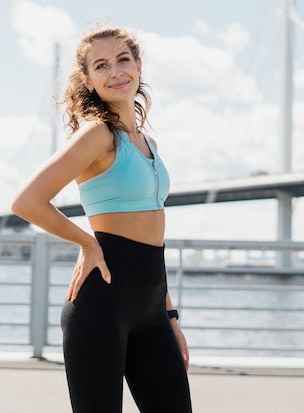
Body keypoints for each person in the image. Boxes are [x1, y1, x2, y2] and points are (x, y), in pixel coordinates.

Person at [11, 23, 193, 413]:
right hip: (100, 307)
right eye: (102, 66)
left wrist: (169, 315)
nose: (116, 72)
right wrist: (87, 242)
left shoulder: (149, 143)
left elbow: (152, 243)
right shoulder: (97, 135)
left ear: (139, 67)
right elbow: (27, 201)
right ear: (89, 80)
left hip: (151, 312)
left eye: (123, 60)